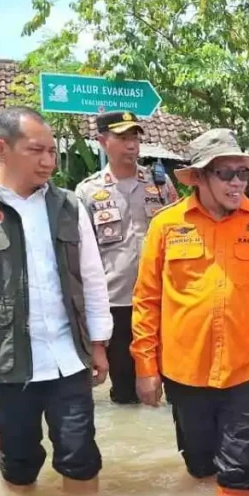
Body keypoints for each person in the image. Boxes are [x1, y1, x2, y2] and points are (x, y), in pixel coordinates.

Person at [0, 106, 113, 495]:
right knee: (19, 461)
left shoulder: (69, 205)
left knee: (81, 457)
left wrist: (98, 343)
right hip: (6, 362)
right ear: (1, 148)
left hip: (68, 358)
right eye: (36, 150)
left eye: (51, 151)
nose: (48, 161)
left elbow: (92, 280)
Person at [132, 129, 249, 496]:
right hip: (185, 372)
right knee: (199, 468)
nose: (237, 182)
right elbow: (147, 300)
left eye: (243, 173)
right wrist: (145, 367)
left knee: (240, 476)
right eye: (225, 173)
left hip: (247, 371)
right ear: (199, 177)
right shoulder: (166, 225)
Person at [76, 111, 178, 405]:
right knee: (125, 389)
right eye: (122, 137)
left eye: (134, 137)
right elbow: (81, 253)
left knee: (173, 381)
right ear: (102, 141)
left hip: (162, 297)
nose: (131, 144)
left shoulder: (160, 185)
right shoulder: (87, 191)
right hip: (116, 302)